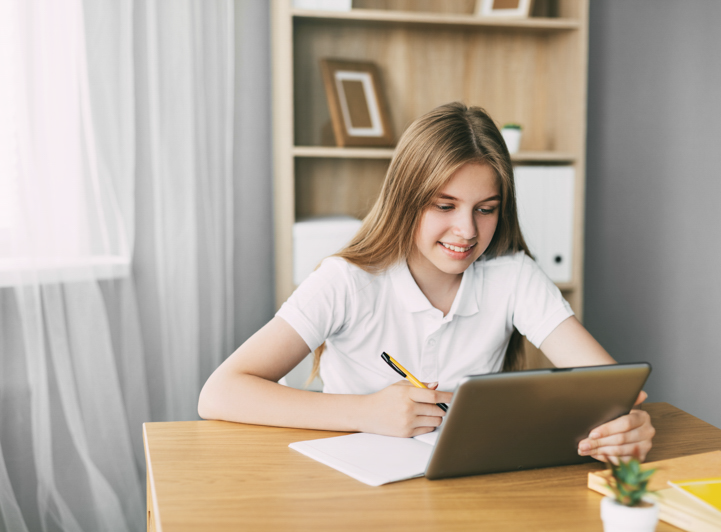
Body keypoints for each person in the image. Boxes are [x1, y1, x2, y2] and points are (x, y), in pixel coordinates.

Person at [198, 102, 654, 463]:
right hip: (352, 490)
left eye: (485, 208)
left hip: (466, 489)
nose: (467, 231)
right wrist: (366, 412)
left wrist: (628, 425)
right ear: (406, 201)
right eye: (444, 205)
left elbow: (612, 389)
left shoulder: (513, 276)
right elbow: (220, 392)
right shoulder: (347, 280)